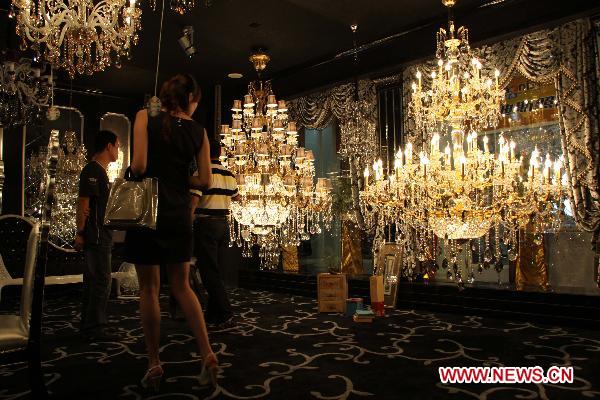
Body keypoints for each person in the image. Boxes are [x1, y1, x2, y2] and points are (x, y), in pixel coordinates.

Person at [125, 73, 218, 391]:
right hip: (178, 215)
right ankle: (206, 353)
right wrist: (179, 177)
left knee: (149, 290)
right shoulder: (199, 132)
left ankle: (153, 363)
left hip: (147, 214)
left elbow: (138, 166)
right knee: (182, 287)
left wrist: (152, 173)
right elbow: (205, 182)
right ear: (190, 98)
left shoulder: (143, 116)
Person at [75, 130, 119, 340]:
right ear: (109, 146)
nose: (118, 150)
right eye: (117, 145)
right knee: (101, 280)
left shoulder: (99, 171)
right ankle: (95, 326)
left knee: (96, 280)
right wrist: (80, 232)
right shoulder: (92, 171)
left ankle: (89, 323)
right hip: (97, 235)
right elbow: (83, 203)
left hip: (101, 234)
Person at [190, 139, 238, 328]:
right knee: (215, 271)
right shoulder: (229, 174)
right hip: (223, 226)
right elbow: (236, 197)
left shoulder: (202, 173)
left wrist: (186, 223)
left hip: (206, 226)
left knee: (209, 273)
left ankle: (226, 313)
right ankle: (212, 316)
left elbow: (193, 204)